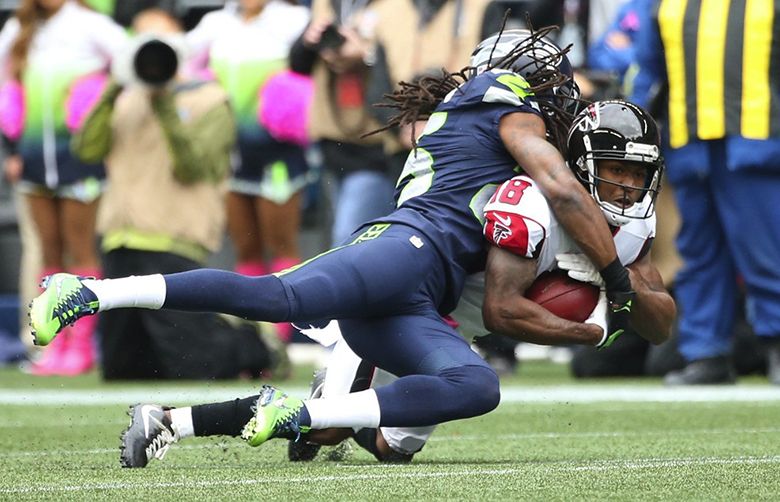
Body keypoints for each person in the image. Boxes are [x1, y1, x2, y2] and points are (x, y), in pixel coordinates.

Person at [30, 27, 638, 468]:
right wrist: (614, 279)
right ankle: (86, 292)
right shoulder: (501, 98)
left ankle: (290, 414)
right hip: (406, 249)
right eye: (551, 83)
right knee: (278, 297)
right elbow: (558, 187)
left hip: (425, 299)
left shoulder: (478, 122)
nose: (559, 95)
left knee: (477, 387)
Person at [113, 99, 676, 466]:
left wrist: (627, 290)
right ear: (577, 164)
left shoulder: (632, 229)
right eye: (613, 169)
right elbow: (505, 311)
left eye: (636, 174)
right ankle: (175, 419)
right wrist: (594, 329)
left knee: (388, 448)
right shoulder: (532, 200)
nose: (626, 186)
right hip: (409, 307)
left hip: (448, 335)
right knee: (325, 425)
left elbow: (659, 320)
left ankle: (303, 407)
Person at [70, 8, 275, 380]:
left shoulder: (211, 99)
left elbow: (194, 167)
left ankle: (253, 344)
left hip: (174, 240)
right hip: (120, 238)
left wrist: (165, 103)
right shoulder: (124, 96)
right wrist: (116, 84)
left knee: (196, 366)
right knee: (122, 369)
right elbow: (85, 150)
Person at [629, 0, 780, 385]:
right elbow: (648, 69)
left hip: (758, 142)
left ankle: (776, 343)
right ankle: (706, 353)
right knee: (699, 252)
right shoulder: (665, 3)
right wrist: (639, 125)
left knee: (767, 250)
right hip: (690, 143)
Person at [0, 0, 127, 375]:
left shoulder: (91, 25)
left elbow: (133, 65)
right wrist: (10, 146)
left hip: (80, 160)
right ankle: (54, 343)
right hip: (34, 157)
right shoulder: (18, 30)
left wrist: (98, 98)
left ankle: (83, 343)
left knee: (80, 249)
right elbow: (5, 86)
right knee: (50, 253)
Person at [186, 0, 310, 343]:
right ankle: (256, 335)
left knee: (281, 244)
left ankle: (281, 334)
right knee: (246, 249)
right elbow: (181, 59)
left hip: (278, 157)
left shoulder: (293, 19)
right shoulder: (215, 23)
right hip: (231, 156)